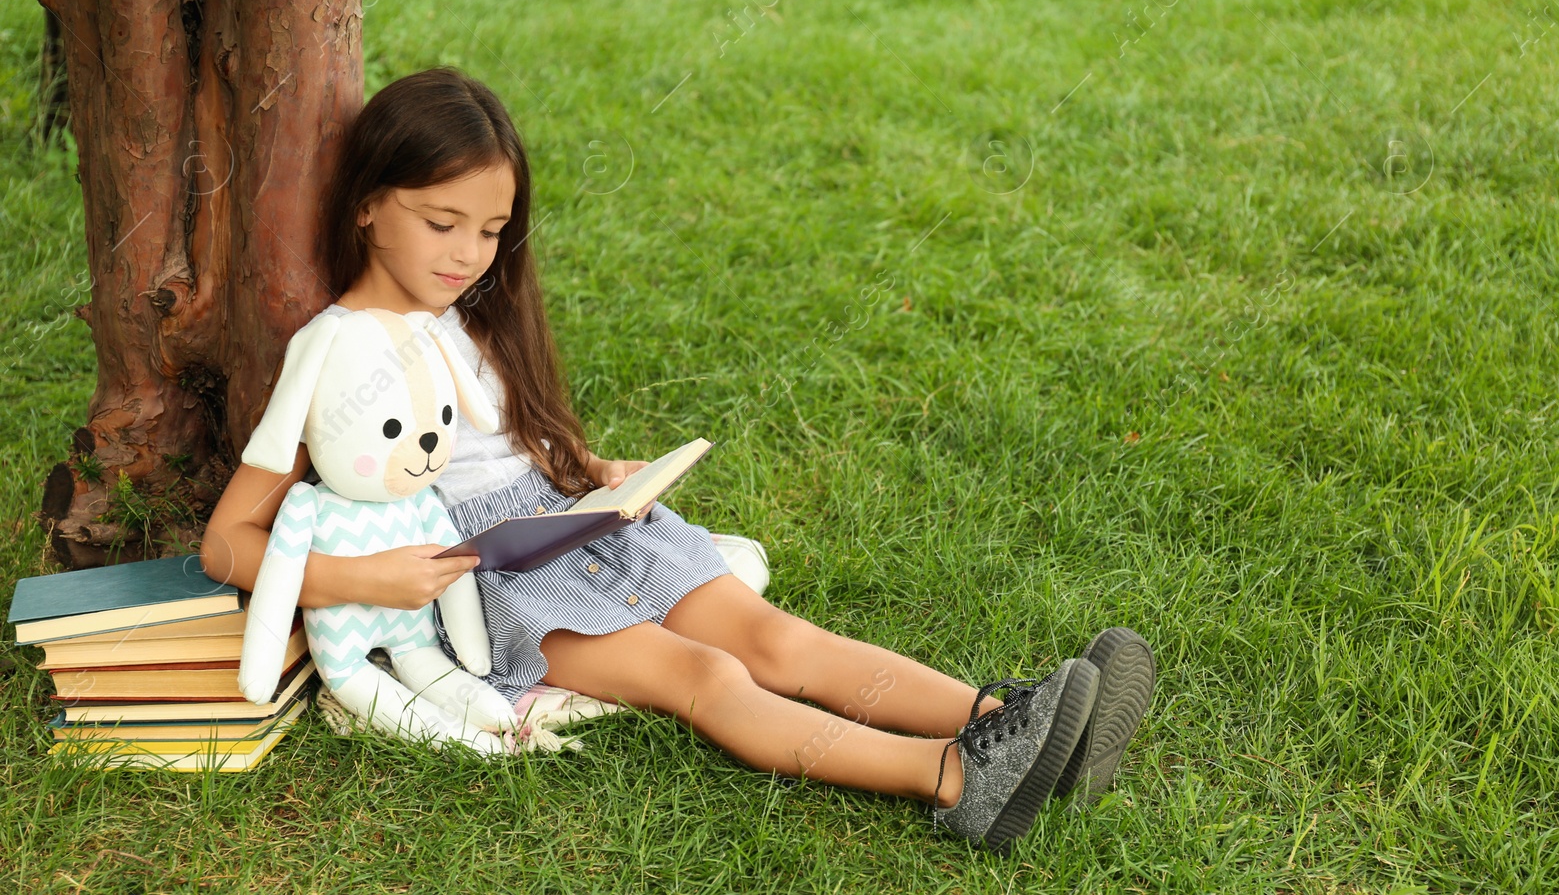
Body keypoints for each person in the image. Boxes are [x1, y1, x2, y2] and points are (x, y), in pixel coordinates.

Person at [199, 67, 1154, 855]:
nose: (468, 254)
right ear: (368, 206)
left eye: (490, 232)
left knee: (778, 638)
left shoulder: (480, 320)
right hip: (488, 581)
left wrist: (597, 471)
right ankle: (951, 774)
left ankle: (1010, 720)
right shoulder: (339, 347)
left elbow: (517, 442)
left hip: (567, 518)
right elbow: (228, 545)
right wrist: (365, 576)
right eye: (441, 222)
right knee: (708, 673)